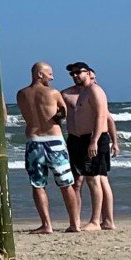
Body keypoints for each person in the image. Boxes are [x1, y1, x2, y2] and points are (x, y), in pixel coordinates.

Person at [18, 64, 83, 233]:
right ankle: (74, 223)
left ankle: (47, 224)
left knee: (38, 184)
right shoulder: (53, 93)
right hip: (53, 140)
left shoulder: (22, 94)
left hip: (34, 140)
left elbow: (27, 115)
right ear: (40, 74)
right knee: (66, 183)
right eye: (50, 74)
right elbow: (64, 111)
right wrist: (56, 116)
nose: (52, 77)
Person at [66, 63, 118, 230]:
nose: (75, 76)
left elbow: (102, 116)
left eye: (78, 72)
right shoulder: (80, 93)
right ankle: (81, 221)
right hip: (78, 140)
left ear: (87, 73)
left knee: (94, 179)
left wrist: (94, 140)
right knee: (82, 179)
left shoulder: (95, 90)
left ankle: (97, 221)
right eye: (72, 74)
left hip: (93, 138)